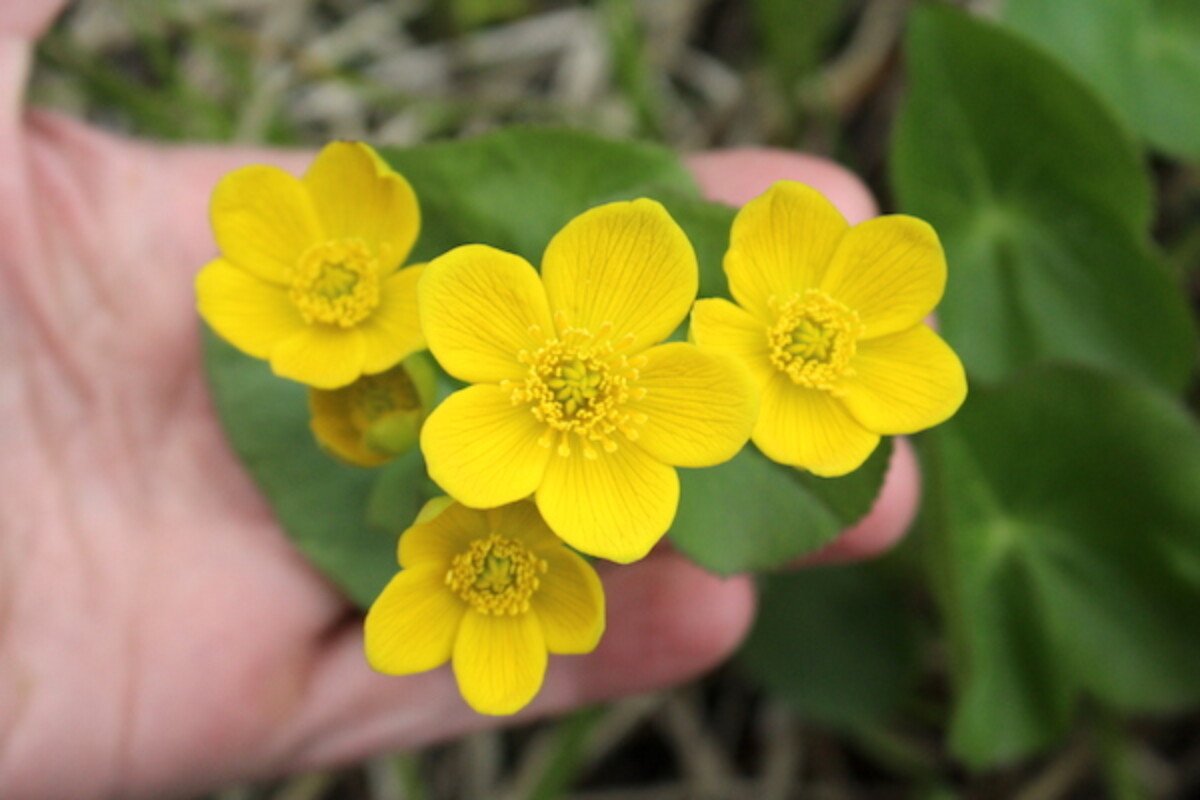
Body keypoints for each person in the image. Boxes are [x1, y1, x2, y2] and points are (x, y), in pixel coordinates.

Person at [0, 2, 918, 797]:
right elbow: (461, 392)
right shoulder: (465, 398)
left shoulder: (697, 388)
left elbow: (706, 412)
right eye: (571, 381)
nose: (575, 383)